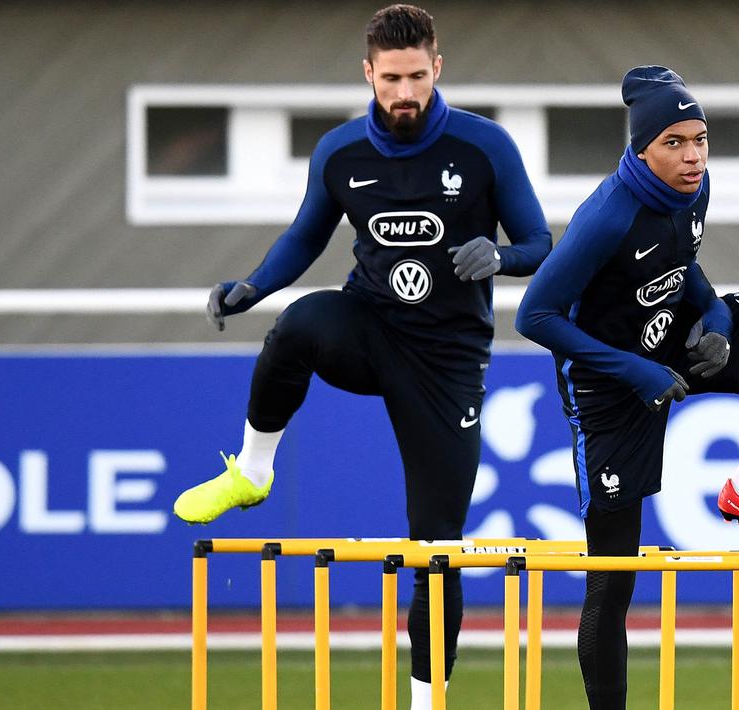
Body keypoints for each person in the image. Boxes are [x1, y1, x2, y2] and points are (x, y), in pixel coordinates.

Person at [171, 5, 551, 707]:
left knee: (436, 546)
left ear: (436, 69)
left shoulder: (484, 146)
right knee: (298, 323)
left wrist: (499, 255)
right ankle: (252, 473)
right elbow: (304, 237)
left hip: (448, 360)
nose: (403, 93)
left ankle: (423, 701)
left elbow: (539, 243)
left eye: (415, 77)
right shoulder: (340, 151)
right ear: (368, 74)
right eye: (390, 79)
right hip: (370, 328)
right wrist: (252, 286)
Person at [515, 66, 739, 709]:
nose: (693, 154)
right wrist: (635, 371)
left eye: (700, 138)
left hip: (676, 341)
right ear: (642, 148)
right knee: (613, 580)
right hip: (608, 388)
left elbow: (682, 264)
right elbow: (534, 316)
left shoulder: (694, 188)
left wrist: (720, 320)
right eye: (674, 141)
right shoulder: (607, 216)